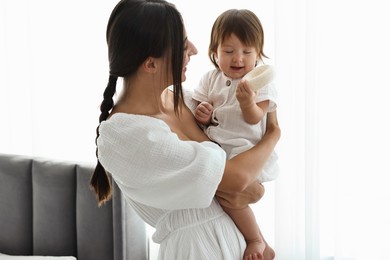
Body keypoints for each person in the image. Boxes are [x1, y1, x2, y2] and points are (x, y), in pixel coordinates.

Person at [90, 1, 280, 259]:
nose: (194, 50)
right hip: (195, 250)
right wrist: (273, 134)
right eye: (183, 46)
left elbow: (243, 183)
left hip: (232, 242)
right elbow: (238, 182)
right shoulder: (126, 135)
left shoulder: (185, 101)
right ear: (150, 64)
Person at [192, 9, 279, 260]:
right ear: (214, 52)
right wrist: (203, 113)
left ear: (258, 53)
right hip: (221, 149)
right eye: (228, 51)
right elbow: (200, 109)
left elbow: (256, 118)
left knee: (230, 198)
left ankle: (255, 241)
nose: (238, 59)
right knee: (222, 196)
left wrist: (247, 103)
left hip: (247, 152)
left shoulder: (260, 81)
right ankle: (264, 244)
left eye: (247, 52)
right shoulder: (211, 78)